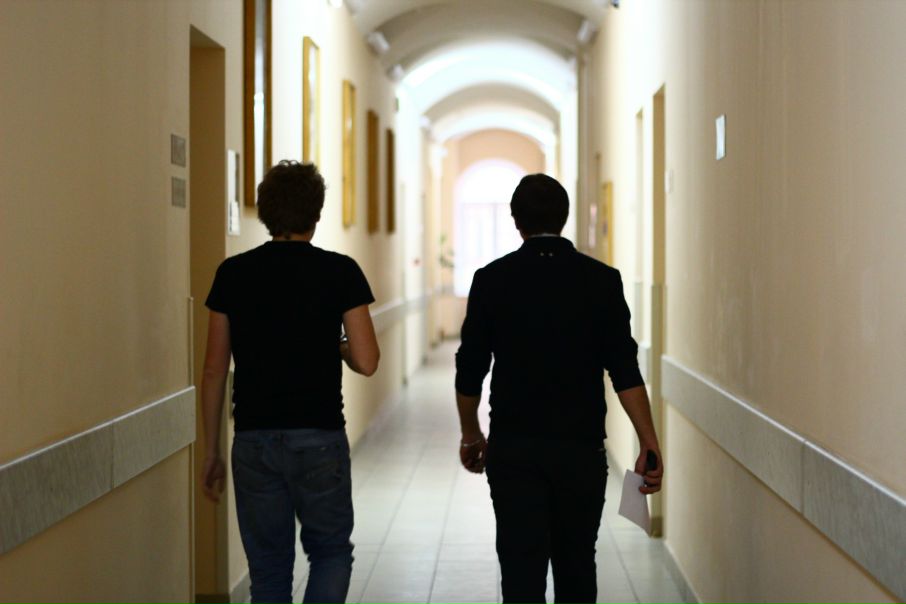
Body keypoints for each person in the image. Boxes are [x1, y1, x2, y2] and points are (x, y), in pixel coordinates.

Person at [454, 173, 663, 604]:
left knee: (520, 571)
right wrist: (649, 441)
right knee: (577, 566)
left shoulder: (491, 279)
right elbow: (624, 370)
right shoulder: (602, 281)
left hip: (514, 450)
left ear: (516, 221)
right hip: (579, 450)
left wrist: (471, 434)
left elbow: (470, 369)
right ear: (565, 218)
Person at [199, 160, 380, 604]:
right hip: (319, 436)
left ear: (265, 212)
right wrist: (338, 346)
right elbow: (367, 360)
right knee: (330, 553)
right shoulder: (340, 271)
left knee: (268, 570)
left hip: (254, 439)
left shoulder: (233, 273)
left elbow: (214, 370)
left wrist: (211, 450)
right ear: (316, 213)